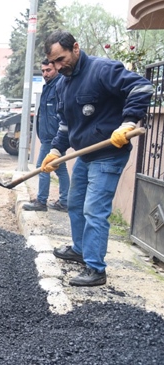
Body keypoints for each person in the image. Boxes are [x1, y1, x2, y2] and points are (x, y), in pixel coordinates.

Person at [42, 31, 152, 286]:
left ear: (76, 48)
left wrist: (127, 122)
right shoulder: (62, 83)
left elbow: (141, 86)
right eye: (54, 63)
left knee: (94, 210)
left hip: (109, 154)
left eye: (61, 59)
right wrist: (57, 150)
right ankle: (80, 250)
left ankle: (95, 268)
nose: (58, 67)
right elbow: (66, 124)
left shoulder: (102, 69)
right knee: (75, 203)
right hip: (85, 155)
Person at [22, 59, 70, 212]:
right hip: (48, 136)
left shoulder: (59, 86)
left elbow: (62, 113)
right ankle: (64, 202)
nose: (45, 74)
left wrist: (55, 137)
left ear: (56, 68)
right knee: (61, 170)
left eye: (48, 70)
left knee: (42, 167)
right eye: (43, 71)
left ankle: (41, 202)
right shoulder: (48, 87)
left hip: (53, 136)